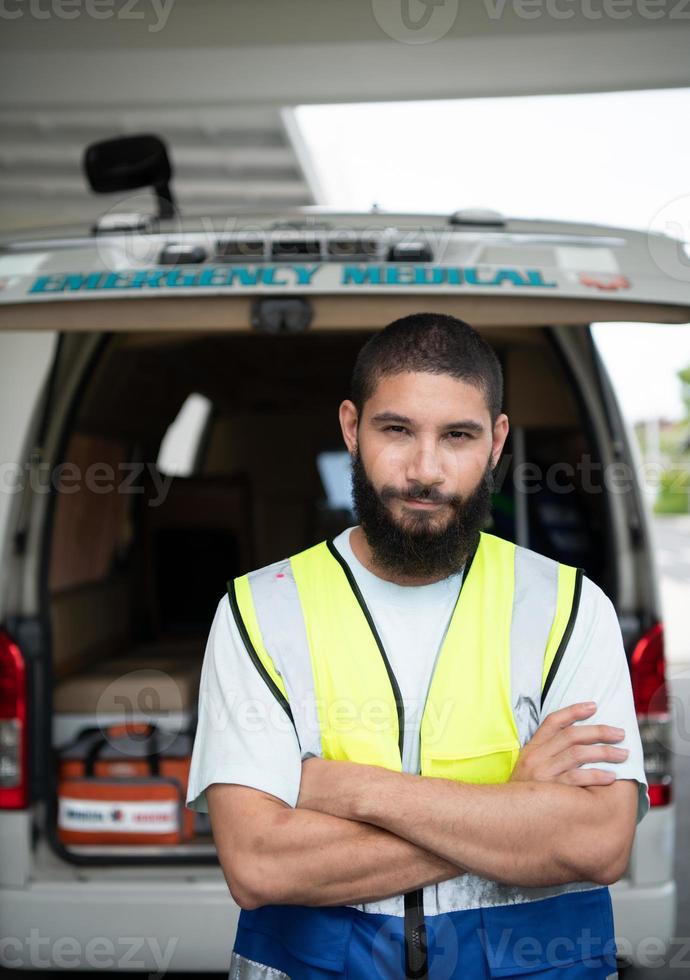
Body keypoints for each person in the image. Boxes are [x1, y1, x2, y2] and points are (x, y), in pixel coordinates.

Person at [186, 313, 649, 980]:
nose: (424, 470)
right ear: (352, 428)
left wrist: (349, 791)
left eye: (457, 435)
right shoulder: (259, 610)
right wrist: (514, 808)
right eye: (396, 430)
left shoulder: (570, 609)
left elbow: (598, 842)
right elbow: (260, 865)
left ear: (496, 442)